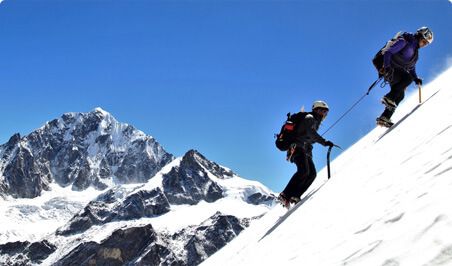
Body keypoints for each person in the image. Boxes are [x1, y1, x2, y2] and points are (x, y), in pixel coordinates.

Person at [278, 100, 335, 208]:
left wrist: (310, 149)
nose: (324, 114)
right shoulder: (309, 118)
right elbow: (311, 133)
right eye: (322, 111)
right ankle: (285, 194)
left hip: (303, 149)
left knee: (312, 173)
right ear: (316, 110)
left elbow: (308, 138)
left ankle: (295, 195)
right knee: (303, 170)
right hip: (296, 147)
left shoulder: (314, 121)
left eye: (325, 112)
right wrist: (324, 142)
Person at [377, 26, 434, 127]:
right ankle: (389, 97)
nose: (424, 45)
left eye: (426, 44)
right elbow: (388, 52)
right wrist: (387, 67)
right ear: (420, 35)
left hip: (395, 71)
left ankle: (385, 117)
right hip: (390, 68)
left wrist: (416, 78)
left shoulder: (415, 53)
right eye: (424, 42)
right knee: (407, 79)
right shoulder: (405, 41)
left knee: (400, 95)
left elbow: (411, 68)